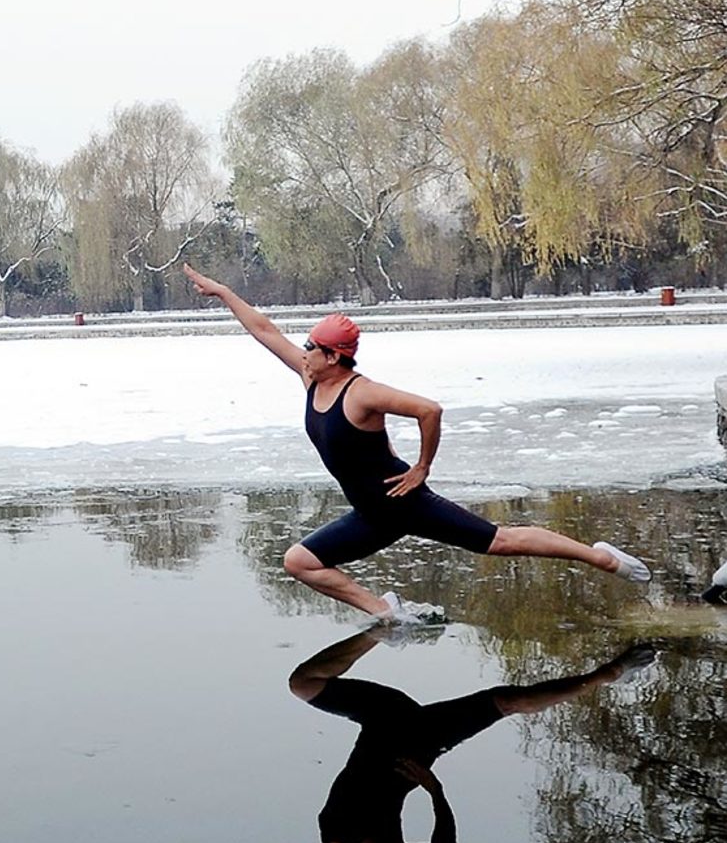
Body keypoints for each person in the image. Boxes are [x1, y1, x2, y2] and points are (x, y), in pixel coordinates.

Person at [183, 264, 651, 619]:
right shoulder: (311, 379)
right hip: (370, 515)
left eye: (311, 348)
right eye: (305, 346)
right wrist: (223, 292)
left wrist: (422, 468)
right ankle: (386, 612)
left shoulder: (363, 393)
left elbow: (430, 410)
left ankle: (602, 557)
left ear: (334, 356)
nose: (302, 352)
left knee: (502, 541)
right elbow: (265, 331)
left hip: (405, 503)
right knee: (299, 562)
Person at [211, 631, 655, 843]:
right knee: (507, 701)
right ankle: (612, 672)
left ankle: (385, 626)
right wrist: (434, 791)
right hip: (419, 741)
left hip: (383, 720)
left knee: (303, 682)